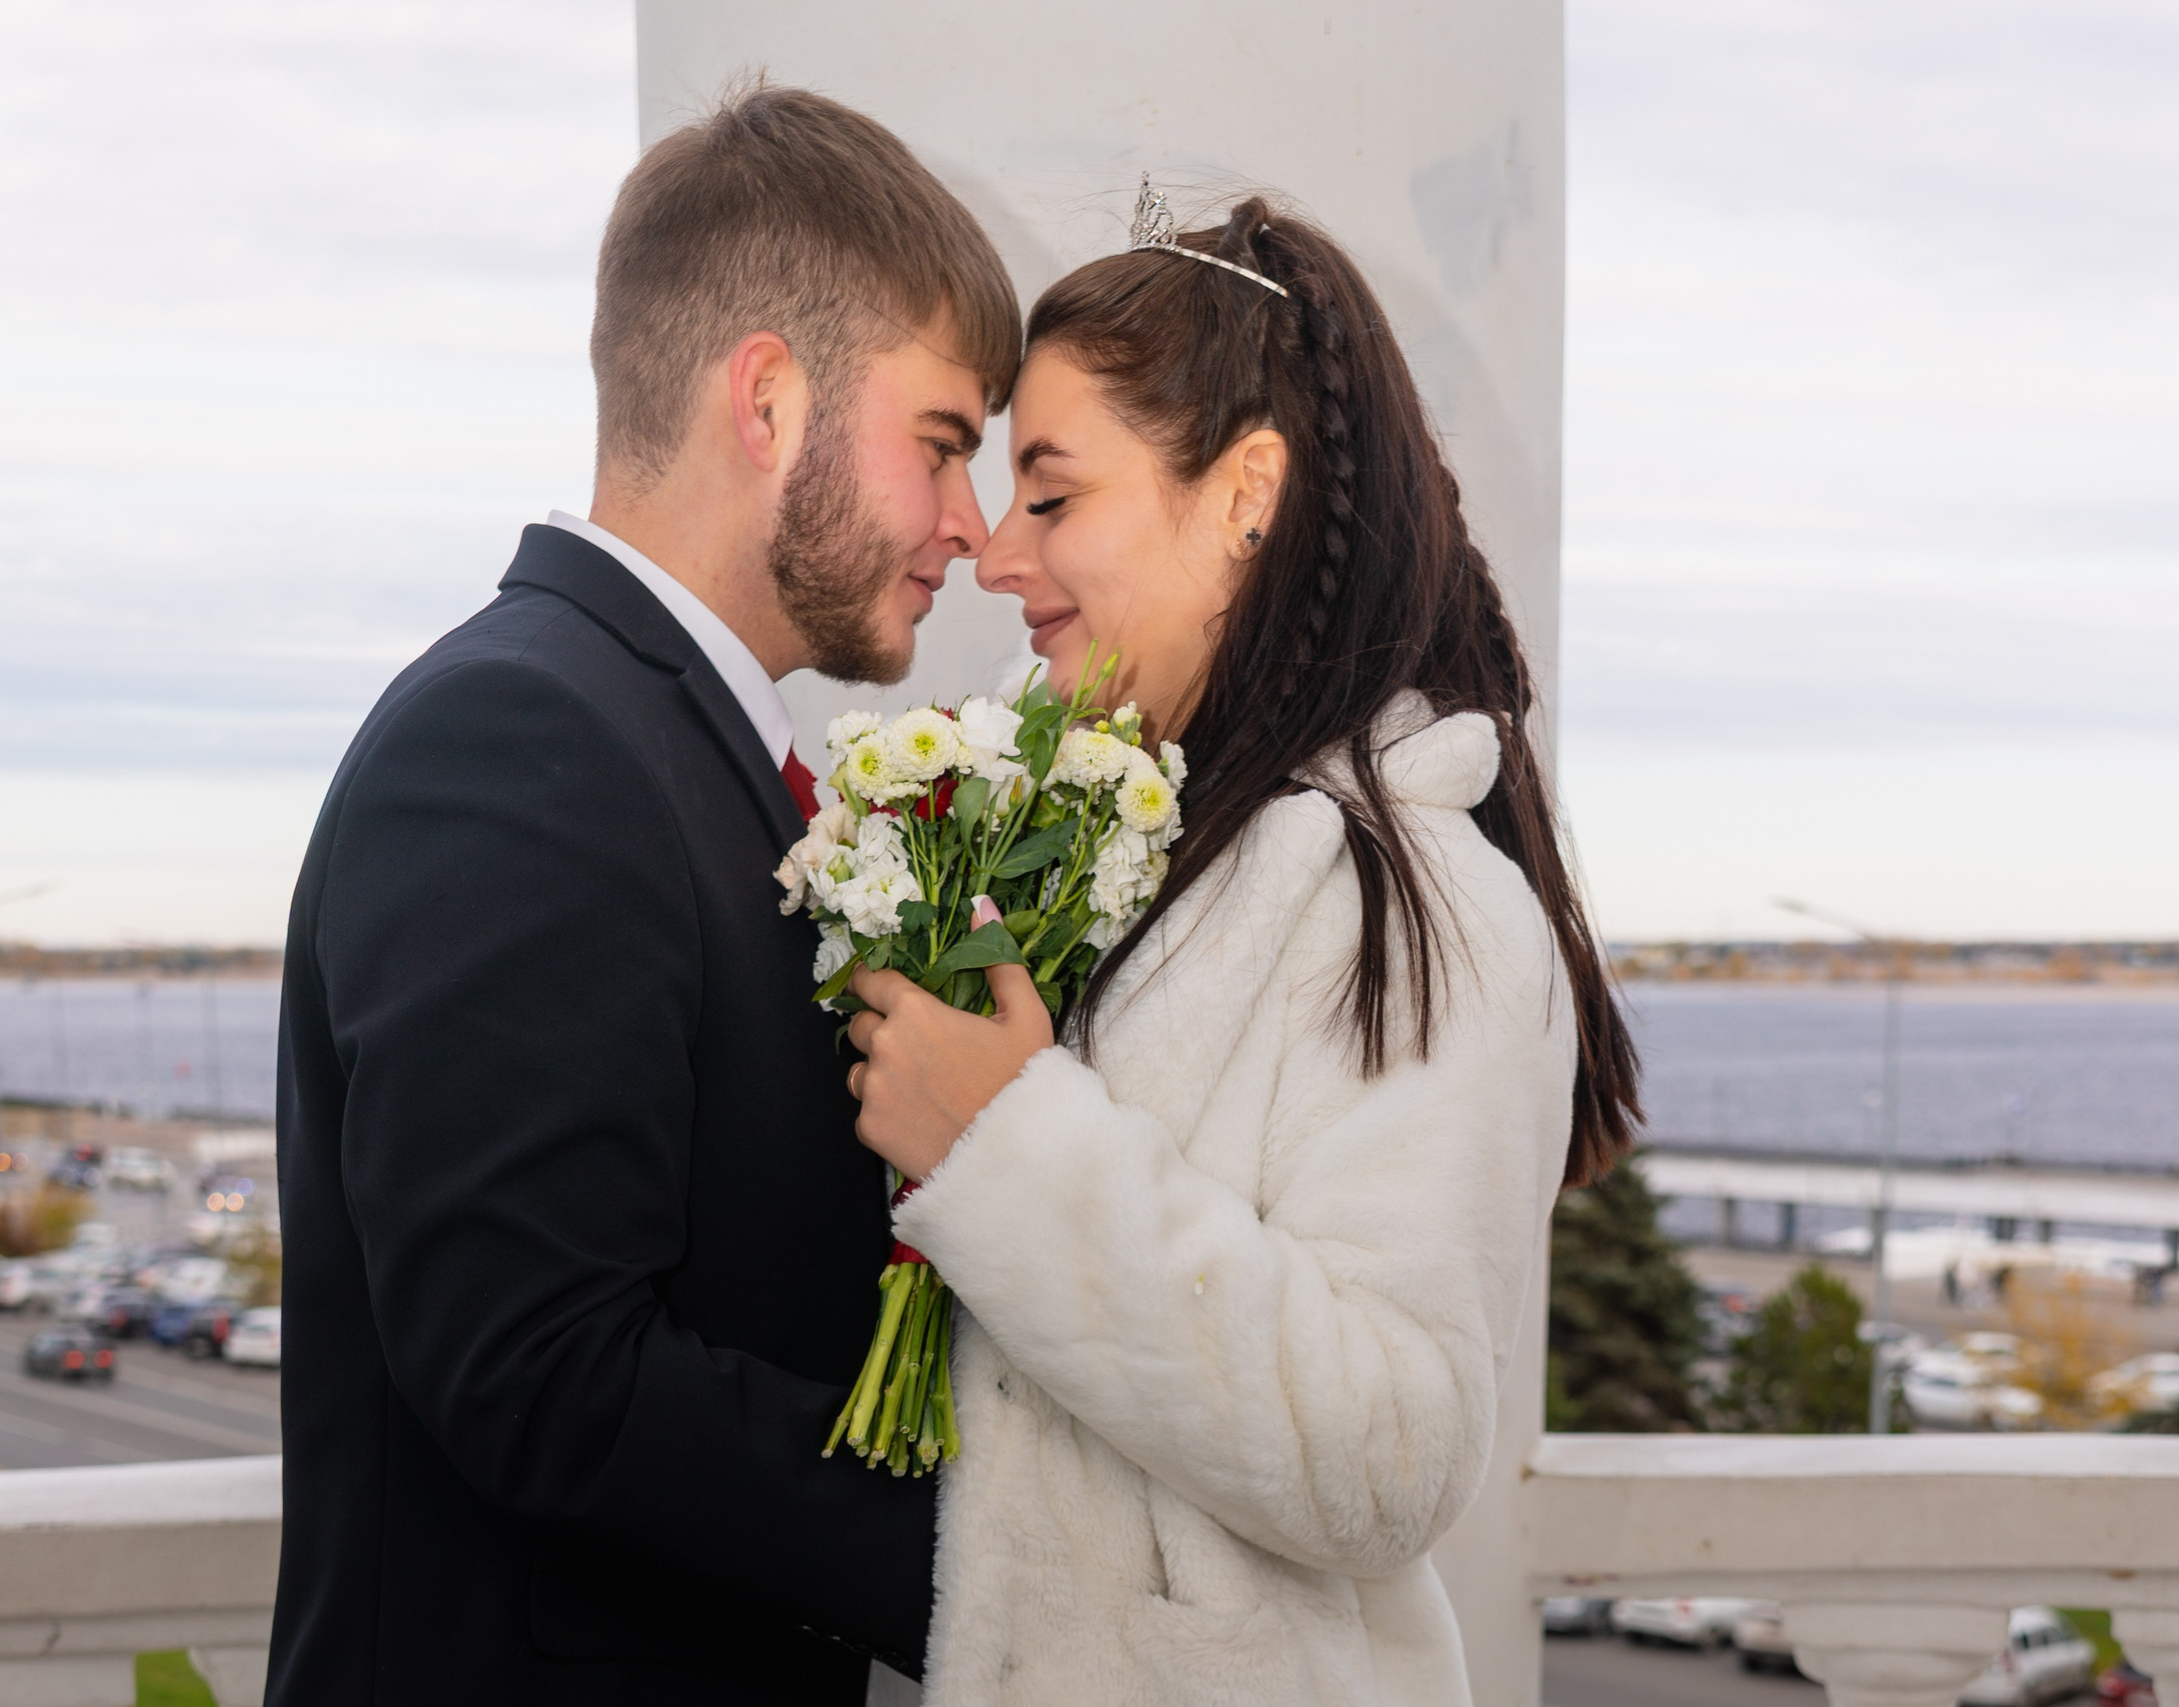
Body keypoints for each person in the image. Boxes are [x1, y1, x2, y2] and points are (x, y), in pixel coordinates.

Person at [839, 191, 1643, 1705]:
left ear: (1245, 495)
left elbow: (1396, 1450)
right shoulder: (1151, 849)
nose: (999, 555)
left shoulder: (1435, 916)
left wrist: (1006, 1149)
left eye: (1054, 496)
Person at [267, 87, 1016, 1705]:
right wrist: (1001, 1555)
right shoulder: (520, 735)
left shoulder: (660, 736)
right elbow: (538, 1369)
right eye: (946, 443)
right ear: (769, 398)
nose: (970, 524)